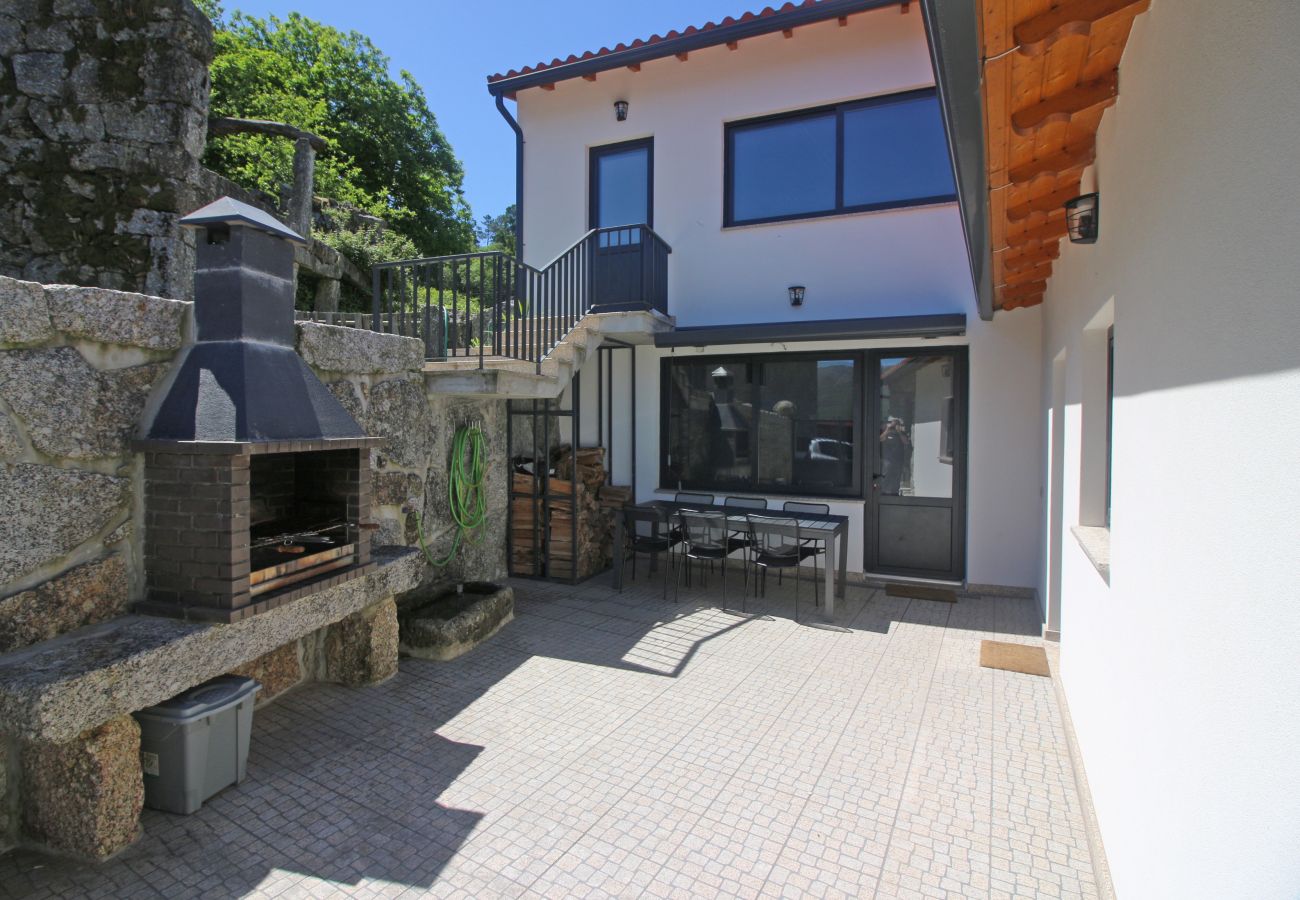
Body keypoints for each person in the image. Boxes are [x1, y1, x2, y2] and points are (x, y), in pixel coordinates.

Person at [879, 416, 910, 495]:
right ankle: (883, 492)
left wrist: (899, 432)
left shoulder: (902, 433)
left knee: (896, 478)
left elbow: (906, 442)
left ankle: (894, 493)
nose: (894, 425)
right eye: (892, 423)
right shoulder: (886, 432)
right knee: (885, 477)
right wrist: (888, 429)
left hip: (898, 460)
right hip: (887, 460)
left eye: (896, 424)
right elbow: (880, 439)